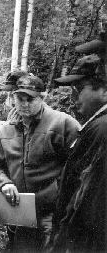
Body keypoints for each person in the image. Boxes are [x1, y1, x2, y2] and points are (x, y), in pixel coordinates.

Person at [0, 74, 80, 252]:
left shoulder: (63, 123)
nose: (25, 104)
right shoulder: (6, 129)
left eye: (31, 99)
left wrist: (62, 195)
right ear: (13, 98)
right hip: (21, 210)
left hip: (52, 212)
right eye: (20, 98)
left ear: (42, 98)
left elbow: (81, 165)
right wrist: (4, 183)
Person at [50, 32, 107, 252]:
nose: (73, 99)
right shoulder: (95, 125)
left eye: (79, 90)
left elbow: (87, 203)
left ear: (103, 91)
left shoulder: (101, 129)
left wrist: (63, 242)